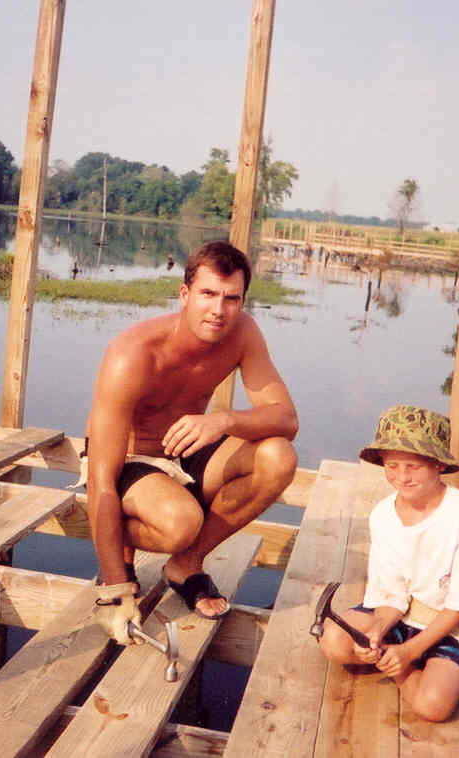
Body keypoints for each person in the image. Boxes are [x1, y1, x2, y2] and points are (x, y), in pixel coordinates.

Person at [84, 240, 298, 645]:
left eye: (231, 298)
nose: (219, 310)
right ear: (184, 295)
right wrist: (115, 587)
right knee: (182, 522)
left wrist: (224, 420)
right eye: (208, 294)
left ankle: (186, 564)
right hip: (128, 458)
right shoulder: (131, 354)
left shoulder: (244, 333)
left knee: (278, 457)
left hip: (188, 449)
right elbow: (100, 478)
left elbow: (286, 419)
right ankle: (123, 545)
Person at [317, 405, 459, 722]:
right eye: (392, 466)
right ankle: (392, 656)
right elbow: (390, 594)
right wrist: (376, 630)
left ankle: (404, 670)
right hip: (404, 613)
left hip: (454, 623)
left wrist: (409, 654)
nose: (402, 477)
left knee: (433, 707)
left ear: (439, 464)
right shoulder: (383, 514)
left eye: (413, 467)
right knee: (333, 641)